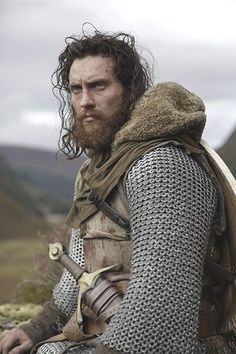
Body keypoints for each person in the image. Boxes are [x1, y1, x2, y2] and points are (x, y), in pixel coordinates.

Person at [0, 28, 233, 354]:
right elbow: (81, 272)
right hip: (100, 335)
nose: (85, 101)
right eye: (75, 88)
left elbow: (162, 297)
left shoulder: (162, 166)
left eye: (98, 86)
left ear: (130, 91)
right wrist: (37, 328)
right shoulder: (96, 172)